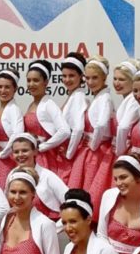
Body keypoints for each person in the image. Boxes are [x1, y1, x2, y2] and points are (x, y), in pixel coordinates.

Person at [68, 57, 115, 214]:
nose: (90, 82)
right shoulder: (98, 97)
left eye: (95, 78)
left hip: (98, 151)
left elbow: (101, 125)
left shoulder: (105, 98)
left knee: (91, 191)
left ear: (104, 77)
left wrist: (93, 145)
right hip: (92, 150)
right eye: (87, 78)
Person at [96, 155, 140, 254]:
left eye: (123, 177)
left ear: (138, 177)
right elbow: (101, 234)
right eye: (116, 179)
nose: (118, 183)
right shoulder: (109, 196)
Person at [23, 60, 69, 173]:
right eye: (28, 80)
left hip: (45, 158)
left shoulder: (49, 104)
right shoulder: (31, 105)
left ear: (46, 82)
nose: (31, 84)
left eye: (36, 80)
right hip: (32, 157)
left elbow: (65, 131)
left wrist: (43, 146)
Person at [10, 133, 68, 222]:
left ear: (35, 152)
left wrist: (57, 227)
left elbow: (70, 201)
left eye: (25, 150)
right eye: (16, 152)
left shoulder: (48, 176)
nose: (20, 155)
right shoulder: (11, 176)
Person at [0, 69, 23, 188]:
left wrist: (3, 153)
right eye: (0, 87)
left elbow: (17, 135)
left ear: (15, 89)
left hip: (7, 160)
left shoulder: (14, 109)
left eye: (7, 87)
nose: (3, 91)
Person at [58, 53, 88, 185]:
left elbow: (78, 128)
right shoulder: (73, 96)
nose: (67, 79)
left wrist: (69, 154)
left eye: (71, 76)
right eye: (64, 76)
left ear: (81, 76)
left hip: (71, 155)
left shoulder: (79, 97)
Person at [112, 59, 140, 158]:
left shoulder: (134, 100)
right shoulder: (128, 100)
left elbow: (123, 127)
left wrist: (119, 153)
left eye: (121, 79)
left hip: (127, 152)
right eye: (115, 78)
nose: (116, 83)